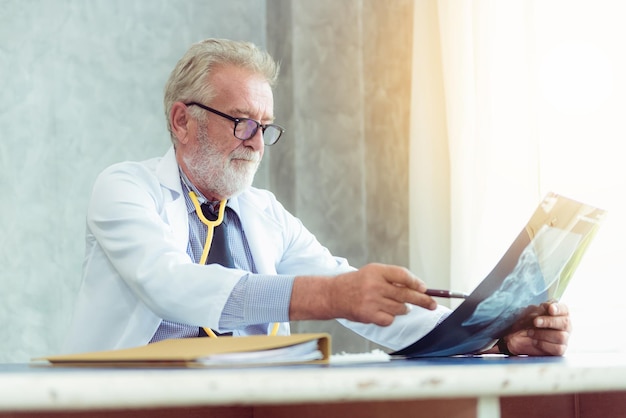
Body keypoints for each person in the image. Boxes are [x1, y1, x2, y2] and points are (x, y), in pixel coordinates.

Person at [63, 38, 571, 356]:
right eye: (242, 123)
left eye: (265, 127)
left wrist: (497, 334)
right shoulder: (125, 189)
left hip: (251, 404)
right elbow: (171, 286)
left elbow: (357, 296)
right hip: (131, 404)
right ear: (182, 120)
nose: (258, 144)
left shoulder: (265, 214)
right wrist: (331, 297)